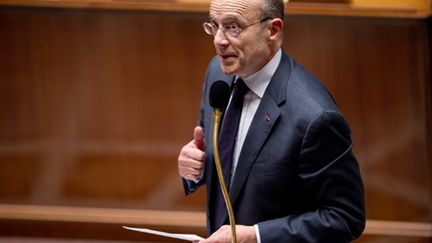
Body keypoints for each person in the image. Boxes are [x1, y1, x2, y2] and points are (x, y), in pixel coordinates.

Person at [178, 0, 365, 242]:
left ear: (273, 30)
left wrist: (255, 236)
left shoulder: (315, 117)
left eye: (233, 26)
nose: (218, 40)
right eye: (214, 25)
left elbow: (345, 217)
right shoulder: (218, 73)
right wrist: (194, 168)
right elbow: (225, 163)